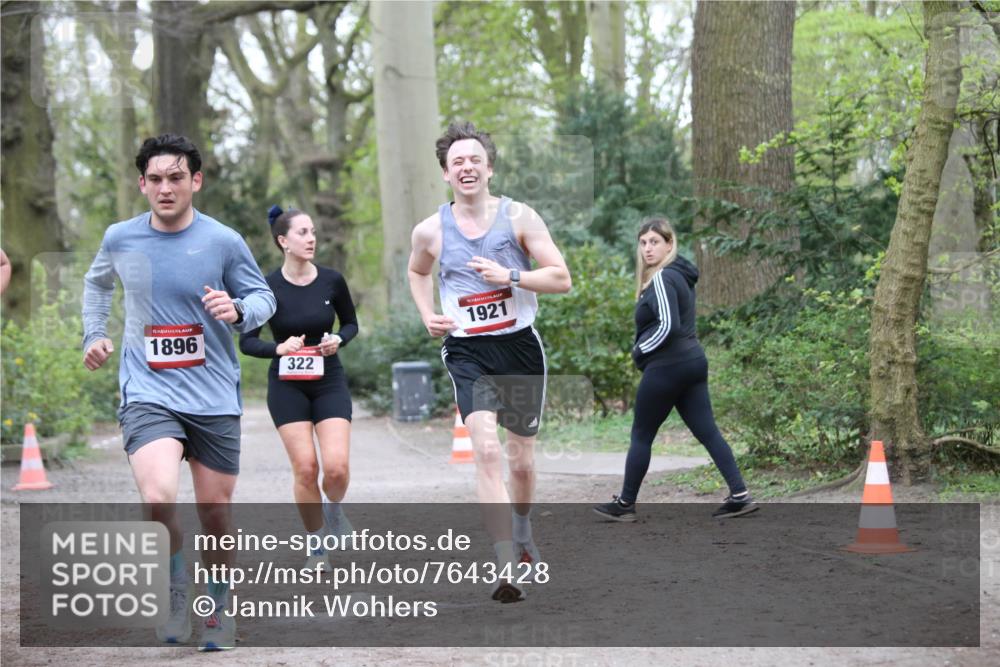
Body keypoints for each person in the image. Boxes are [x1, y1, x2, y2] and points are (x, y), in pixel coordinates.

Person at [82, 134, 276, 651]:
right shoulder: (120, 238)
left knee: (215, 512)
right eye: (155, 179)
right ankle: (173, 593)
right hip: (148, 391)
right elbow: (97, 284)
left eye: (176, 178)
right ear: (141, 183)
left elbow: (263, 296)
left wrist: (240, 312)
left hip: (212, 393)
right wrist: (94, 334)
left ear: (196, 180)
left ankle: (217, 608)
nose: (165, 188)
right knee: (158, 494)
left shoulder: (222, 241)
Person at [408, 121, 572, 603]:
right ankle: (505, 564)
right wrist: (427, 314)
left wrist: (511, 275)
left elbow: (561, 278)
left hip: (519, 347)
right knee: (486, 449)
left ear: (489, 168)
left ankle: (522, 532)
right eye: (457, 161)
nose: (466, 167)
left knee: (520, 459)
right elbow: (418, 272)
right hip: (467, 350)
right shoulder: (430, 230)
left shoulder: (521, 217)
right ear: (446, 174)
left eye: (474, 159)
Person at [593, 218, 757, 522]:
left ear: (670, 244)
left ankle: (626, 503)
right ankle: (740, 495)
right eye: (643, 243)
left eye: (655, 241)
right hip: (691, 363)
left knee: (641, 434)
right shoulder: (677, 276)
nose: (647, 248)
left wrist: (639, 351)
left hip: (669, 366)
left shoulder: (664, 278)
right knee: (707, 431)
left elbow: (668, 326)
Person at [239, 205, 358, 572]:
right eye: (303, 233)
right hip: (287, 385)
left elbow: (351, 324)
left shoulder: (332, 280)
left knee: (335, 469)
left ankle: (333, 511)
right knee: (306, 469)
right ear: (283, 241)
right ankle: (317, 546)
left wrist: (338, 338)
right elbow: (246, 341)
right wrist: (279, 347)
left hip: (328, 379)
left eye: (313, 232)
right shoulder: (267, 288)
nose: (311, 239)